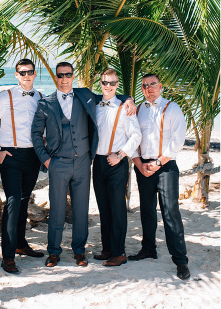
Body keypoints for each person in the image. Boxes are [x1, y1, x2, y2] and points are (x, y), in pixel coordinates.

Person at [31, 62, 135, 268]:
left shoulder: (85, 96)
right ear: (56, 78)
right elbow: (35, 134)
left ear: (72, 76)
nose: (64, 79)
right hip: (57, 163)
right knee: (57, 210)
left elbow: (109, 96)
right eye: (60, 75)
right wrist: (46, 160)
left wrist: (129, 99)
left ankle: (79, 251)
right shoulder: (45, 103)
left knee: (81, 210)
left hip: (82, 163)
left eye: (67, 74)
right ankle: (53, 252)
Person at [0, 59, 46, 274]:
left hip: (33, 155)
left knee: (23, 201)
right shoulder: (5, 97)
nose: (26, 76)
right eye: (22, 72)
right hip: (10, 155)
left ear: (34, 73)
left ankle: (21, 244)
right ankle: (8, 256)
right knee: (12, 202)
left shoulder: (40, 97)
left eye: (30, 72)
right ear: (16, 75)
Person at [131, 73, 190, 280]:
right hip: (143, 166)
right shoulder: (138, 109)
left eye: (153, 84)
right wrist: (139, 163)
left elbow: (177, 140)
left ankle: (181, 261)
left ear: (160, 86)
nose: (149, 88)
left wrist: (157, 163)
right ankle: (148, 249)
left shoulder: (172, 108)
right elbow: (133, 138)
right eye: (145, 86)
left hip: (165, 166)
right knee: (147, 210)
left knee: (170, 212)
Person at [91, 69, 141, 267]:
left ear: (117, 84)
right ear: (101, 84)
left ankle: (119, 252)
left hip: (117, 162)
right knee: (103, 208)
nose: (108, 86)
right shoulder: (95, 105)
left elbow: (136, 136)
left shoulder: (124, 107)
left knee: (117, 208)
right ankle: (107, 250)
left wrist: (120, 155)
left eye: (112, 83)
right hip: (98, 162)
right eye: (105, 83)